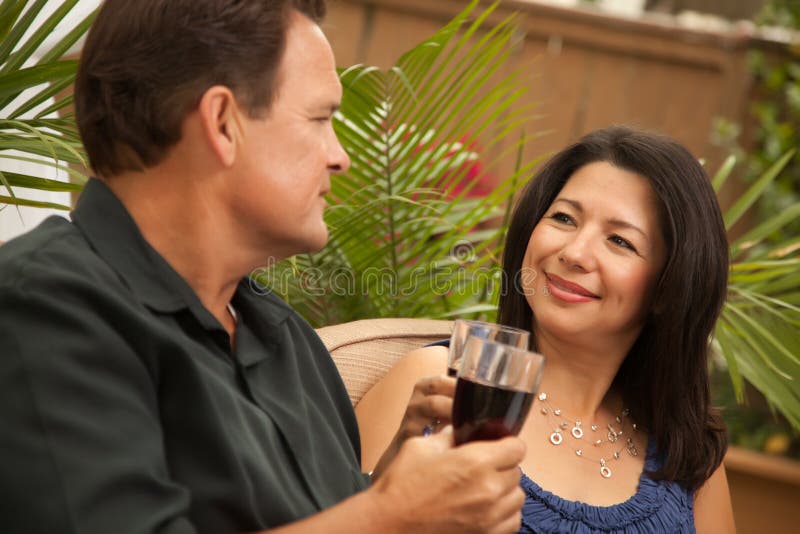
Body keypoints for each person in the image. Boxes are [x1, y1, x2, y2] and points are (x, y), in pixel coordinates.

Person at [0, 1, 527, 532]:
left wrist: (398, 483)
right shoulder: (44, 309)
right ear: (224, 123)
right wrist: (391, 515)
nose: (340, 155)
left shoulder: (285, 339)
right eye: (321, 118)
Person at [356, 126, 737, 533]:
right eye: (564, 218)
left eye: (620, 241)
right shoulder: (442, 383)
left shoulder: (688, 455)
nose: (573, 253)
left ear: (668, 288)